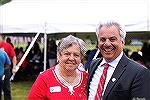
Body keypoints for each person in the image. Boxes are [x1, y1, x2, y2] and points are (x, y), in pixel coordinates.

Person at [87, 20, 150, 100]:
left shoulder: (140, 73)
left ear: (122, 42)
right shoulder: (93, 65)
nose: (107, 44)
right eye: (102, 39)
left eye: (112, 39)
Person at [28, 35, 88, 99]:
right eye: (67, 54)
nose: (71, 58)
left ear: (81, 58)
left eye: (76, 55)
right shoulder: (44, 78)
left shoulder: (86, 78)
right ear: (59, 56)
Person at [0, 34, 17, 100]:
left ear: (1, 37)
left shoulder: (7, 45)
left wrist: (14, 67)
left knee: (6, 88)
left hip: (5, 69)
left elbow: (14, 56)